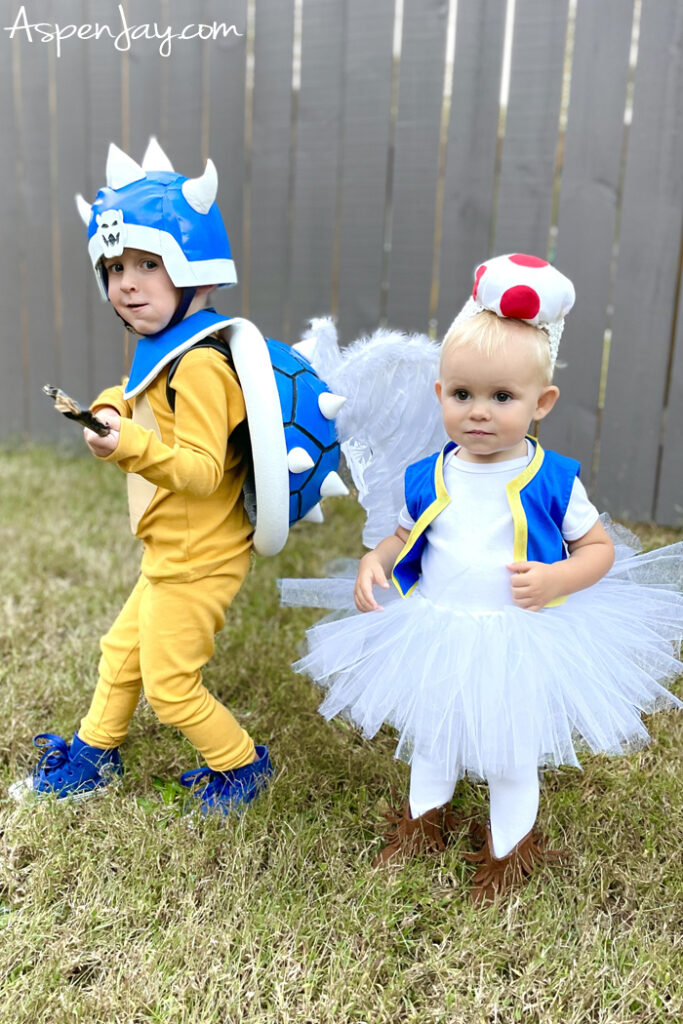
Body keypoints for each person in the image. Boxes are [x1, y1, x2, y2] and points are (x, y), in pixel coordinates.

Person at [285, 253, 683, 902]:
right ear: (439, 393)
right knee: (432, 737)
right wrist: (374, 559)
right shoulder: (431, 472)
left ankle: (508, 854)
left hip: (518, 635)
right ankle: (421, 824)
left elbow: (598, 548)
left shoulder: (550, 478)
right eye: (462, 394)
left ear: (540, 402)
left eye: (501, 398)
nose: (478, 412)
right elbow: (405, 532)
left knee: (506, 753)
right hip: (437, 628)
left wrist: (560, 578)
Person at [10, 138, 274, 815]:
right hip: (170, 551)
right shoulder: (167, 349)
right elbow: (136, 397)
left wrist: (126, 443)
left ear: (194, 271)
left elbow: (199, 470)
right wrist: (109, 409)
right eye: (116, 265)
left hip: (201, 557)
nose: (127, 282)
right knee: (119, 651)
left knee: (170, 685)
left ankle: (242, 766)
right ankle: (95, 752)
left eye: (148, 264)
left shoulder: (204, 366)